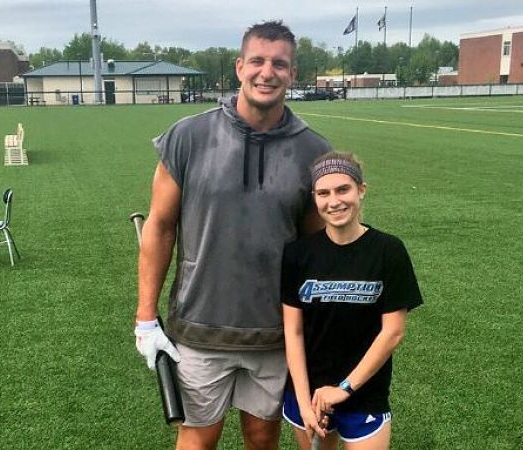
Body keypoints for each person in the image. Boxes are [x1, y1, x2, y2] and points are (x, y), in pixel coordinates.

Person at [134, 20, 332, 450]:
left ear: (292, 74)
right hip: (200, 328)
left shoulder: (314, 152)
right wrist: (146, 318)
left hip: (274, 332)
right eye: (257, 61)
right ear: (240, 67)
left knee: (262, 437)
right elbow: (160, 226)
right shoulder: (188, 136)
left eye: (279, 64)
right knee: (198, 439)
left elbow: (318, 249)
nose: (267, 72)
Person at [280, 152, 423, 450]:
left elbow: (393, 331)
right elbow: (292, 331)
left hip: (363, 393)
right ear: (314, 198)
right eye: (323, 193)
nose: (334, 201)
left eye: (343, 189)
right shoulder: (297, 254)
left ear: (361, 190)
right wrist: (305, 402)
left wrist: (344, 389)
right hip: (308, 394)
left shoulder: (388, 251)